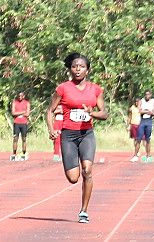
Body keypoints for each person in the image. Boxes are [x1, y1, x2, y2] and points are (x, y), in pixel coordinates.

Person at [45, 52, 108, 224]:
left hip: (86, 134)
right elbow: (50, 110)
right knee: (73, 178)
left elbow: (104, 113)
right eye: (74, 66)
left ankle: (84, 211)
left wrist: (92, 113)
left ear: (87, 70)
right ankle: (72, 166)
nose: (77, 69)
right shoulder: (63, 88)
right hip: (68, 135)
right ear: (70, 69)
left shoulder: (96, 89)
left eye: (81, 67)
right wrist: (51, 129)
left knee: (87, 170)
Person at [136, 91, 154, 163]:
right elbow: (139, 111)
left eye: (148, 94)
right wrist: (147, 111)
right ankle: (135, 155)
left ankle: (148, 155)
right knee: (138, 138)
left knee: (148, 139)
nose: (147, 96)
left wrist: (146, 111)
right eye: (146, 94)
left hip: (149, 121)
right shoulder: (141, 101)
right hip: (142, 121)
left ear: (151, 95)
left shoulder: (153, 102)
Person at [11, 92, 30, 161]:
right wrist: (22, 112)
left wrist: (18, 113)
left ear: (23, 96)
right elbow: (13, 113)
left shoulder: (27, 103)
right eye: (18, 96)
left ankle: (24, 152)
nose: (20, 97)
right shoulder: (14, 102)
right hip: (16, 123)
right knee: (15, 138)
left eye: (21, 96)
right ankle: (14, 153)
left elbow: (27, 114)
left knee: (24, 138)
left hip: (24, 123)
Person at [127, 98, 142, 162]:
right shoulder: (132, 108)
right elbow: (129, 117)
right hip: (133, 125)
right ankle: (136, 150)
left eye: (138, 102)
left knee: (139, 139)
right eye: (136, 102)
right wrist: (128, 125)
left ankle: (137, 151)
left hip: (140, 125)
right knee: (135, 139)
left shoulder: (141, 108)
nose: (137, 103)